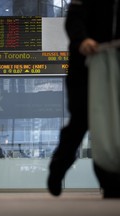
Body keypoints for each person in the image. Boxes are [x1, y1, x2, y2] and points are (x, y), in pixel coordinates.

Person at [47, 0, 120, 198]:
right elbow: (74, 20)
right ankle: (59, 167)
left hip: (116, 68)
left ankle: (112, 181)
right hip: (85, 67)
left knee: (112, 127)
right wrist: (82, 40)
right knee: (81, 121)